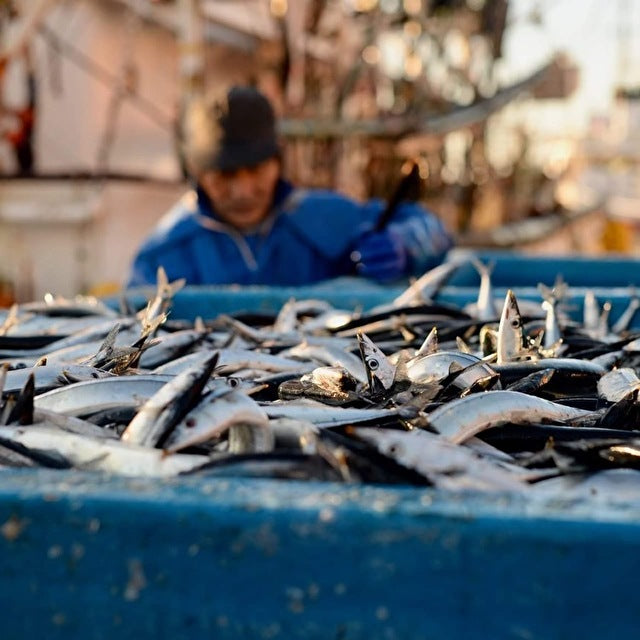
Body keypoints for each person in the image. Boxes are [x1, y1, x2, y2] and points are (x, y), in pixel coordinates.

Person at [126, 86, 453, 288]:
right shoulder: (161, 257)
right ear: (196, 171)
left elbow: (434, 229)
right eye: (224, 174)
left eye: (255, 169)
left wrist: (406, 245)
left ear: (277, 162)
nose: (243, 190)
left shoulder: (323, 217)